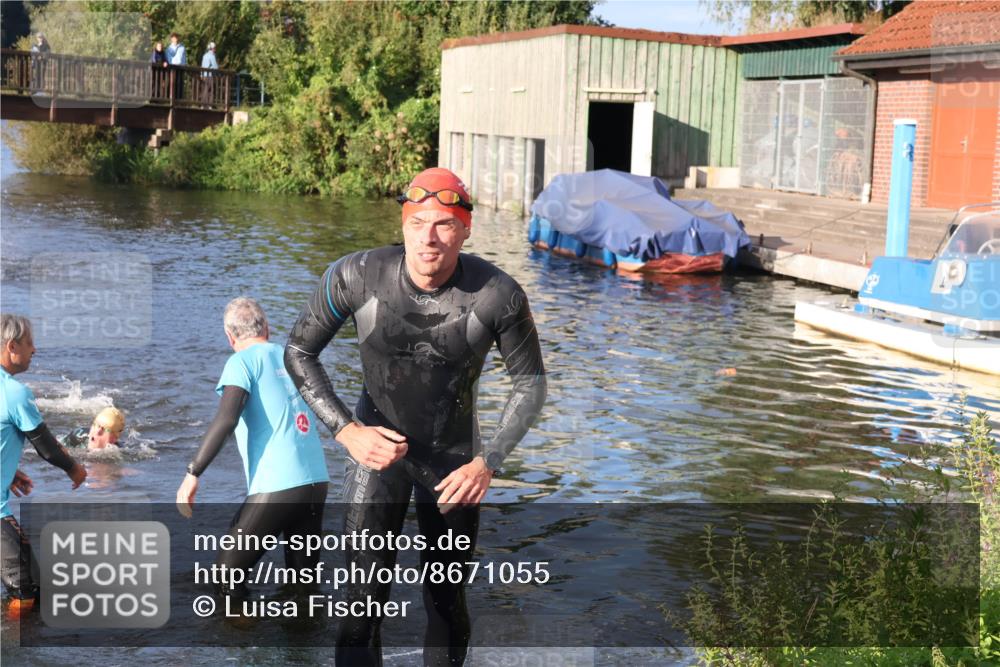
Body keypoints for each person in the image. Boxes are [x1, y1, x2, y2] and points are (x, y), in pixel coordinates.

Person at [284, 167, 546, 666]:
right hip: (373, 455)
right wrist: (347, 431)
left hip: (455, 464)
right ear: (402, 224)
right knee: (360, 608)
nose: (428, 237)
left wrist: (488, 461)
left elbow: (530, 383)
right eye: (418, 221)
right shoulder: (355, 275)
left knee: (446, 602)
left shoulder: (498, 295)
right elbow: (298, 351)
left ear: (466, 229)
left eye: (444, 224)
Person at [175, 298, 329, 600]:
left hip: (278, 486)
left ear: (229, 336)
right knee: (302, 589)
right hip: (317, 483)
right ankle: (302, 644)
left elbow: (226, 419)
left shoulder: (240, 362)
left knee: (225, 579)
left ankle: (240, 636)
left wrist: (193, 472)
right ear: (267, 328)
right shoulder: (292, 357)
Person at [1, 315, 87, 615]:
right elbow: (48, 449)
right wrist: (75, 469)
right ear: (12, 346)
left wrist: (8, 472)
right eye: (29, 344)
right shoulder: (14, 393)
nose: (34, 350)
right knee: (27, 591)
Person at [61, 406, 126, 450]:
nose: (97, 432)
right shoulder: (78, 436)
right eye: (95, 425)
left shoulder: (118, 451)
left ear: (114, 438)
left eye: (105, 429)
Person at [199, 42, 218, 106]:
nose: (215, 49)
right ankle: (209, 105)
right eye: (215, 48)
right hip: (210, 75)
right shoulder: (212, 56)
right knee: (210, 90)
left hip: (204, 75)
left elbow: (202, 66)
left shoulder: (204, 55)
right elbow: (215, 67)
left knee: (204, 89)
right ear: (212, 48)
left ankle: (203, 104)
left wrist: (201, 74)